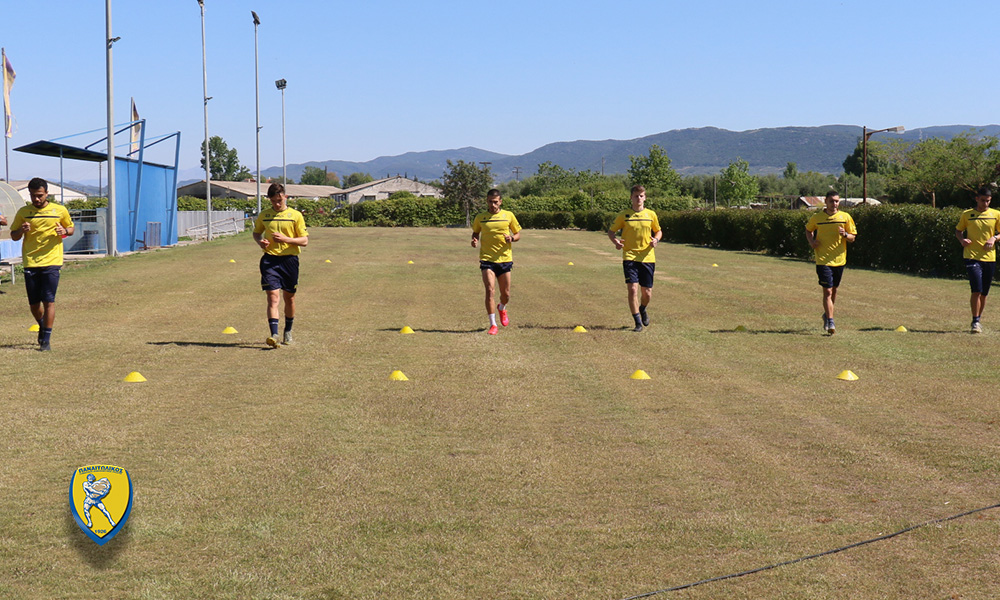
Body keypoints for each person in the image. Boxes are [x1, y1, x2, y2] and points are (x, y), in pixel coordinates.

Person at [10, 177, 75, 351]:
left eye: (39, 195)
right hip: (31, 262)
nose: (36, 199)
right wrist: (21, 231)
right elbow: (14, 236)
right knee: (34, 304)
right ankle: (41, 324)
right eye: (33, 196)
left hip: (52, 261)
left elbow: (70, 228)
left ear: (47, 193)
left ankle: (46, 340)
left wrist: (64, 231)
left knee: (49, 301)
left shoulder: (59, 210)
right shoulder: (24, 212)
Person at [253, 183, 308, 348]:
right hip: (270, 260)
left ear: (285, 196)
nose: (277, 204)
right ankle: (274, 335)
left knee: (289, 298)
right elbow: (256, 233)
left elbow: (304, 241)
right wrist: (260, 242)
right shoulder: (265, 215)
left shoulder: (295, 215)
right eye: (273, 201)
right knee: (272, 297)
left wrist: (286, 240)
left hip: (289, 261)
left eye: (279, 200)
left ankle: (288, 331)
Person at [608, 184, 662, 332]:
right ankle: (637, 322)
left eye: (641, 196)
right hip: (630, 256)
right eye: (636, 196)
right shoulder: (624, 215)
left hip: (647, 257)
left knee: (647, 293)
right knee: (632, 289)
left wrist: (656, 240)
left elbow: (658, 231)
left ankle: (642, 309)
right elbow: (611, 232)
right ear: (631, 198)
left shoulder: (651, 215)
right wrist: (616, 242)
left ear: (645, 197)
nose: (638, 198)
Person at [805, 190, 857, 335]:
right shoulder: (817, 218)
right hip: (823, 260)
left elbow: (852, 237)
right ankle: (831, 321)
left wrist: (845, 235)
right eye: (831, 201)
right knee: (827, 291)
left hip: (840, 260)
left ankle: (827, 315)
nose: (834, 204)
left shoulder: (845, 217)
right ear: (825, 202)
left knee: (834, 290)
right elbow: (808, 230)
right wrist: (812, 242)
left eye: (836, 201)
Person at [471, 189, 521, 335]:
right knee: (490, 290)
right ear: (486, 201)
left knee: (506, 294)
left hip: (505, 259)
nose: (492, 204)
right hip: (487, 259)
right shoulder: (480, 217)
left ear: (500, 201)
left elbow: (517, 234)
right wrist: (474, 239)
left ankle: (502, 308)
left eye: (495, 201)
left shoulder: (508, 216)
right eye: (490, 201)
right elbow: (476, 232)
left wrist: (511, 238)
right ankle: (493, 325)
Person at [955, 186, 1000, 334]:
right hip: (971, 256)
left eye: (988, 201)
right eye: (983, 200)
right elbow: (958, 230)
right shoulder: (967, 215)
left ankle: (978, 319)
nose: (985, 204)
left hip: (989, 257)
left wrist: (994, 238)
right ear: (977, 199)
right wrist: (962, 240)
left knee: (984, 293)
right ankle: (975, 322)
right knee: (976, 290)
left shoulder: (996, 214)